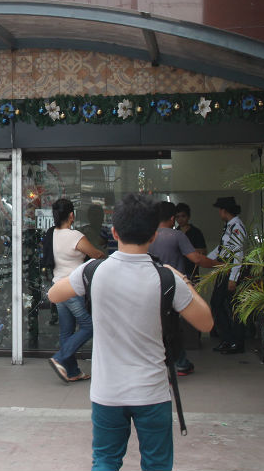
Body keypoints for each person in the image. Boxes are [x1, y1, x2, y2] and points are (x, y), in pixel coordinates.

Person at [48, 193, 213, 471]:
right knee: (157, 464)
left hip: (107, 393)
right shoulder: (166, 277)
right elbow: (206, 323)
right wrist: (182, 278)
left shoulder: (93, 271)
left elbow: (54, 294)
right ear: (154, 235)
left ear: (114, 232)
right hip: (152, 393)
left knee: (105, 462)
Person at [148, 202, 220, 376]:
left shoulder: (148, 236)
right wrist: (219, 264)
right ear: (172, 218)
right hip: (172, 286)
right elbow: (196, 258)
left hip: (151, 285)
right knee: (173, 326)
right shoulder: (177, 235)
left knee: (160, 325)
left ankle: (170, 362)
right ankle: (180, 363)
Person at [48, 197, 106, 383]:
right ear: (71, 215)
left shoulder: (52, 234)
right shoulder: (75, 236)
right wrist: (103, 253)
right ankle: (60, 357)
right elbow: (96, 254)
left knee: (66, 331)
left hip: (58, 288)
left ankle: (72, 371)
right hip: (72, 288)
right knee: (90, 326)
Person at [208, 196, 247, 355]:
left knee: (225, 305)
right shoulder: (230, 226)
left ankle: (234, 341)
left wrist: (233, 278)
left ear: (224, 211)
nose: (219, 213)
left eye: (220, 210)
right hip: (225, 268)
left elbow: (238, 254)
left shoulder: (236, 226)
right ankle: (228, 340)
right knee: (222, 305)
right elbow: (222, 248)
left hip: (230, 270)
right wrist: (207, 259)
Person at [173, 203, 206, 279]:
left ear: (188, 217)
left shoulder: (196, 232)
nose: (180, 219)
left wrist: (186, 251)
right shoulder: (174, 233)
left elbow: (203, 251)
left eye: (183, 216)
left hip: (192, 271)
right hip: (177, 271)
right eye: (177, 217)